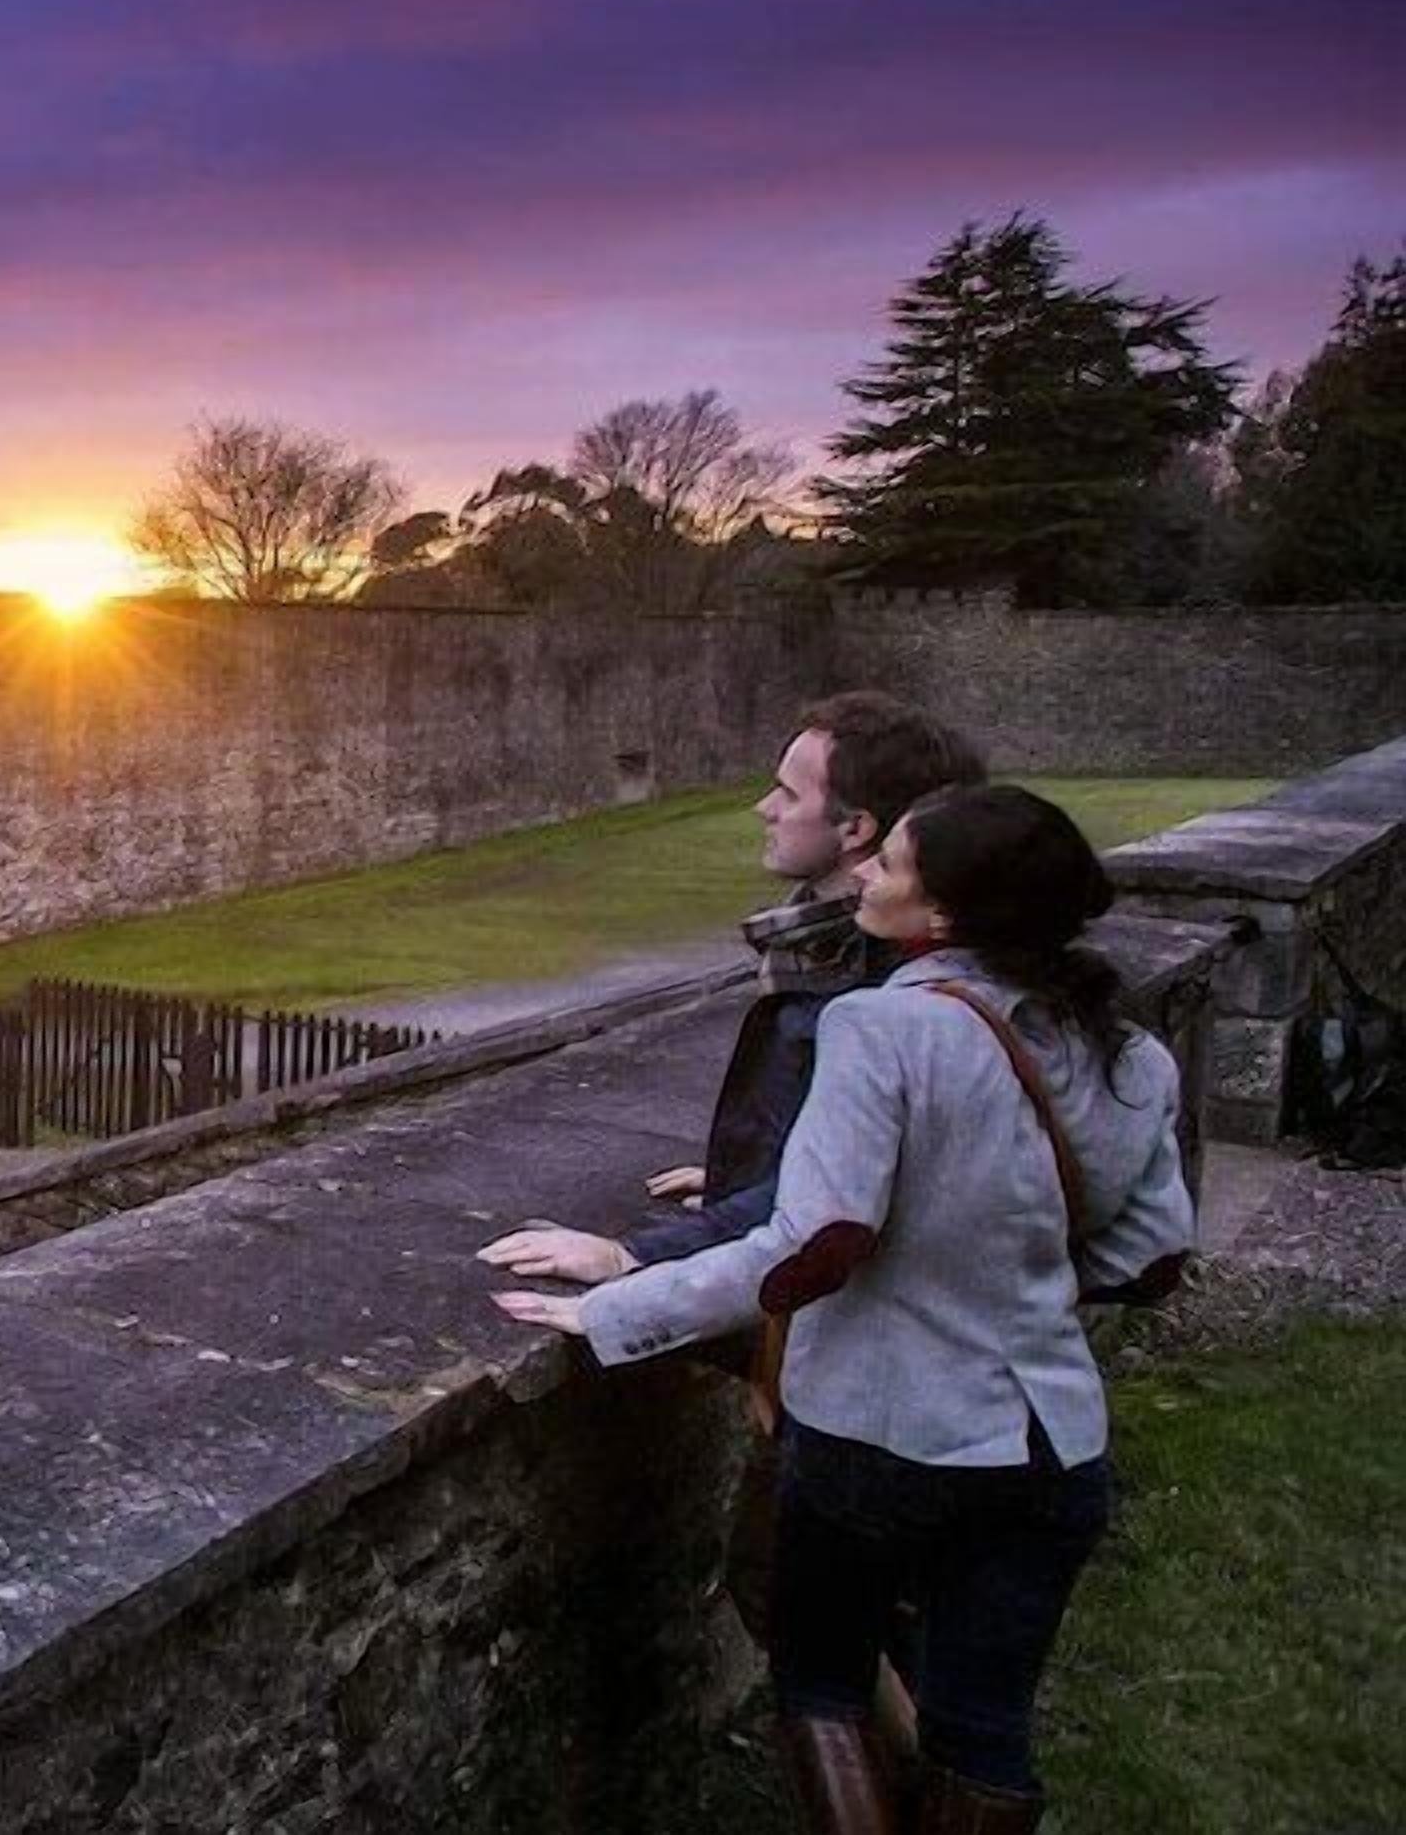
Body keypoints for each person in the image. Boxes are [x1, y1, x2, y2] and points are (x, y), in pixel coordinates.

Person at [494, 784, 1197, 1833]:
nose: (864, 873)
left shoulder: (883, 1026)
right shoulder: (1130, 1052)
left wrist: (617, 1311)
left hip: (881, 1434)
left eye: (892, 864)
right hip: (1052, 1444)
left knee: (820, 1682)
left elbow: (812, 1245)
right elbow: (1150, 1258)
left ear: (944, 915)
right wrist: (991, 1275)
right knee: (983, 1725)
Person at [480, 693, 987, 1294]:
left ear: (856, 828)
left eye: (790, 794)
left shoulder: (877, 993)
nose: (764, 807)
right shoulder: (835, 949)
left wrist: (631, 1255)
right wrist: (743, 1174)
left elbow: (832, 1198)